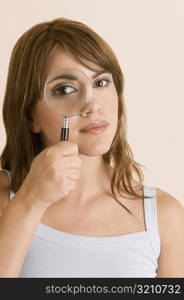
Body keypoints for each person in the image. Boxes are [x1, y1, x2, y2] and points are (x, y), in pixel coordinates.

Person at [0, 18, 183, 278]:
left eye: (100, 83)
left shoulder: (164, 216)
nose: (93, 105)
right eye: (65, 89)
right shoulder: (6, 198)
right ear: (31, 116)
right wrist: (31, 200)